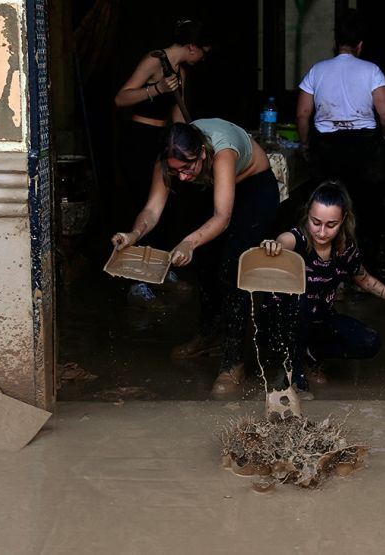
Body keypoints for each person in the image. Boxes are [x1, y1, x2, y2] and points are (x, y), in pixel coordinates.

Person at [111, 119, 278, 397]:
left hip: (253, 189)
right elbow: (152, 211)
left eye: (187, 169)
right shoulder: (171, 160)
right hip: (212, 187)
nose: (183, 178)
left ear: (202, 152)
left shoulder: (223, 153)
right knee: (206, 262)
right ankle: (209, 335)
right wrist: (133, 235)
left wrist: (188, 243)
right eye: (176, 172)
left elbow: (222, 218)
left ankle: (233, 361)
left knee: (232, 266)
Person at [259, 181, 385, 400]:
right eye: (315, 222)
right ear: (307, 215)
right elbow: (282, 241)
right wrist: (274, 246)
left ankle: (310, 354)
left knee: (369, 342)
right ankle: (294, 374)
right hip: (282, 323)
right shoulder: (297, 239)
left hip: (318, 321)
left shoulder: (344, 249)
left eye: (331, 225)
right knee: (300, 303)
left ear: (344, 220)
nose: (321, 231)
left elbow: (364, 279)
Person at [113, 20, 211, 305]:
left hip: (164, 140)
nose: (203, 57)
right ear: (191, 46)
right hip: (138, 139)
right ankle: (136, 280)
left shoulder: (181, 72)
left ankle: (159, 269)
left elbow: (178, 116)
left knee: (170, 205)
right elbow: (120, 98)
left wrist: (190, 141)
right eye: (202, 51)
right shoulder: (154, 61)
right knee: (143, 206)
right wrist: (155, 89)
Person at [296, 10, 385, 270]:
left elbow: (303, 113)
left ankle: (326, 271)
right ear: (360, 45)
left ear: (335, 44)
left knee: (326, 211)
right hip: (365, 148)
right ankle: (364, 273)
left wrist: (306, 144)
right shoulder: (372, 70)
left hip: (327, 149)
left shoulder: (317, 71)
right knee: (367, 211)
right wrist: (382, 137)